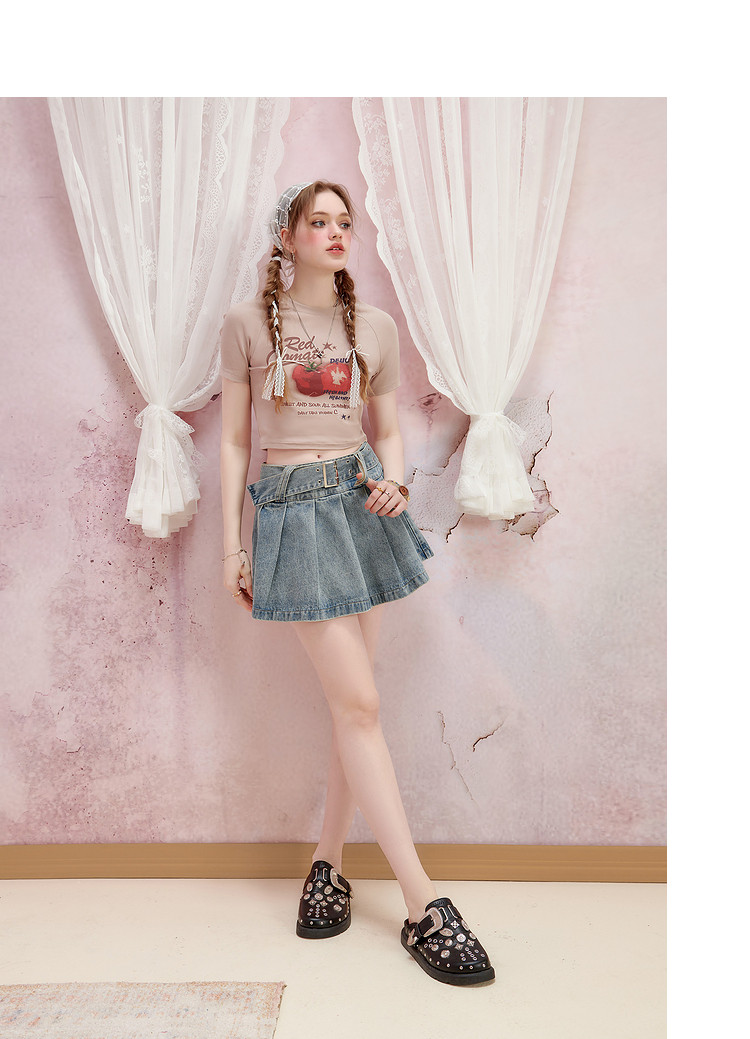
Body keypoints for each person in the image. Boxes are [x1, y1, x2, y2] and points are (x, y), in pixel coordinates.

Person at [219, 181, 494, 986]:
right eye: (320, 221)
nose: (338, 232)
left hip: (361, 503)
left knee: (354, 706)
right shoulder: (246, 324)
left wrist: (399, 482)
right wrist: (232, 546)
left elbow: (389, 428)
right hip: (294, 512)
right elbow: (234, 442)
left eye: (346, 222)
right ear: (287, 236)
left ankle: (328, 863)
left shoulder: (373, 326)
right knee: (361, 706)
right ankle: (422, 903)